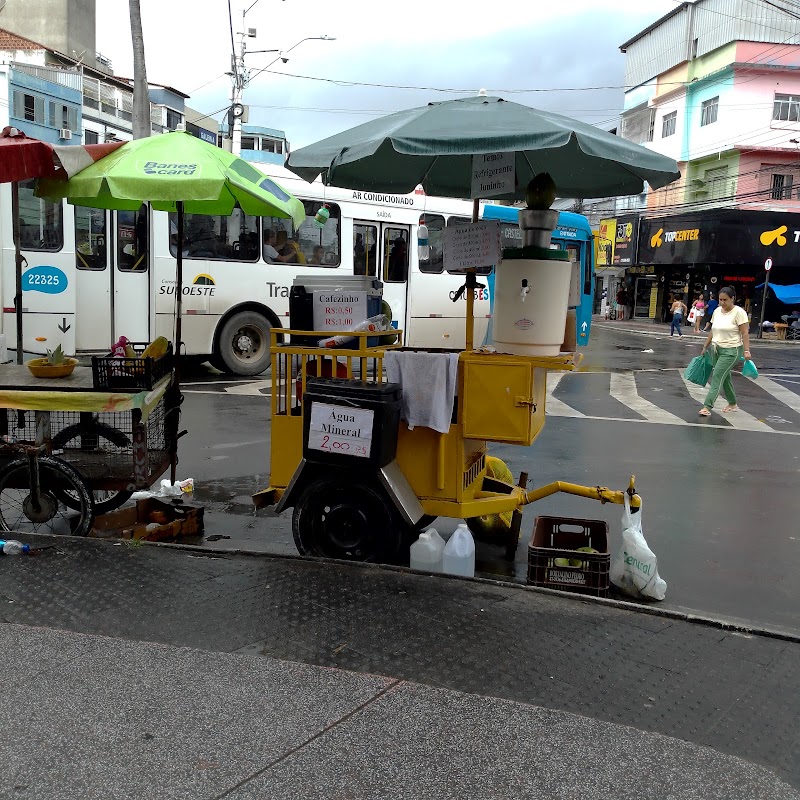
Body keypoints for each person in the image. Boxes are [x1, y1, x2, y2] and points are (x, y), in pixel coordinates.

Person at [698, 286, 751, 417]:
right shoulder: (717, 311)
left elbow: (745, 333)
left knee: (717, 375)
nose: (722, 302)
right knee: (725, 377)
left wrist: (746, 351)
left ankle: (707, 406)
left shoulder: (739, 312)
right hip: (716, 349)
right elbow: (713, 331)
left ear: (732, 299)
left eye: (725, 300)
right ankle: (732, 404)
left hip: (732, 350)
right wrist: (705, 346)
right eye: (720, 300)